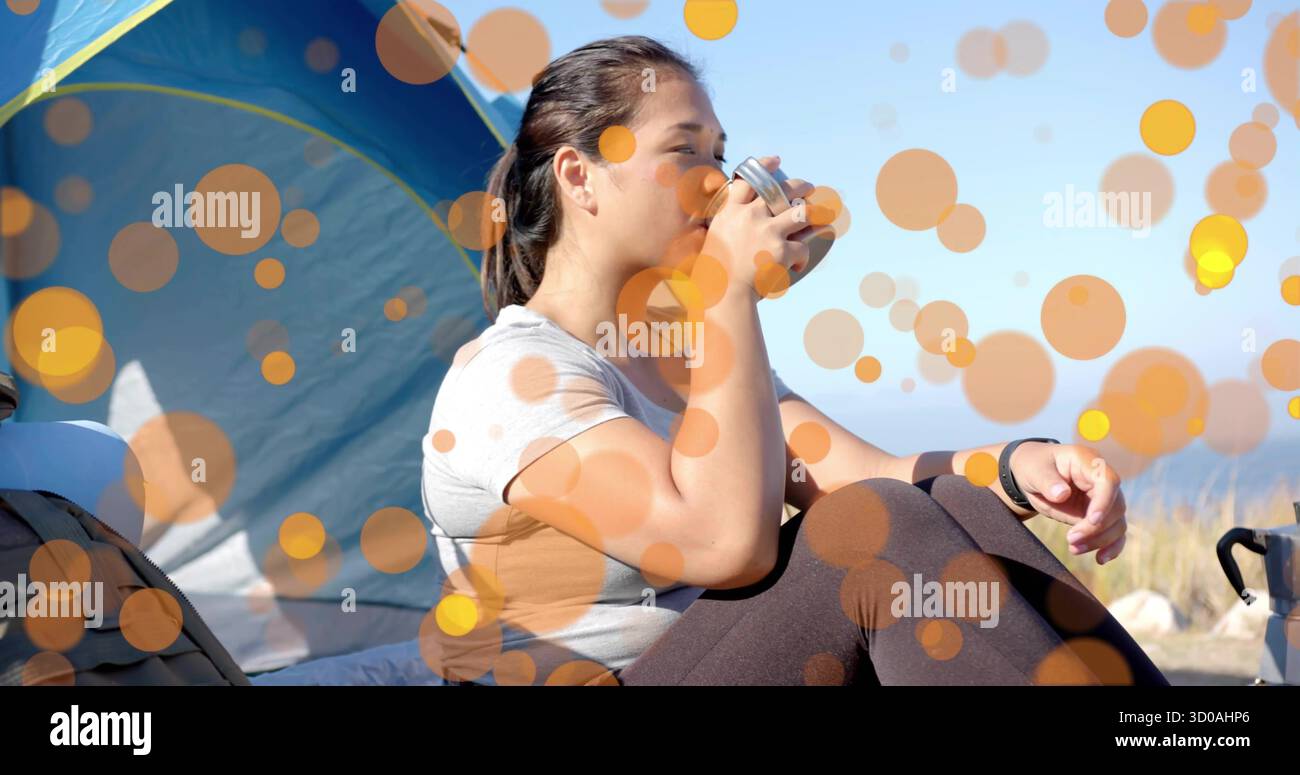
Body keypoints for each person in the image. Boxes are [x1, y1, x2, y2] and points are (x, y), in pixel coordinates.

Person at [418, 35, 1168, 686]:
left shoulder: (685, 357)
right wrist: (727, 293)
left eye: (719, 152)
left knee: (952, 504)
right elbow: (723, 544)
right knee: (872, 530)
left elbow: (866, 474)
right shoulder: (509, 379)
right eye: (684, 150)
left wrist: (1014, 464)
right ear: (579, 176)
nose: (720, 181)